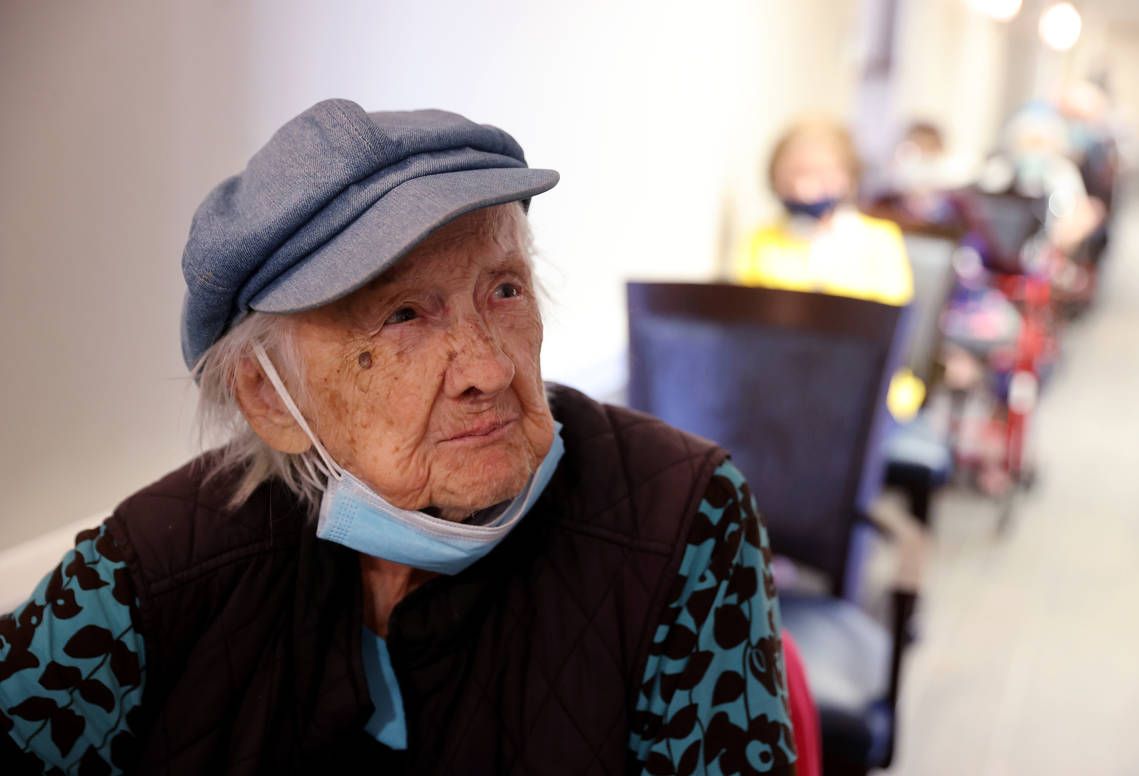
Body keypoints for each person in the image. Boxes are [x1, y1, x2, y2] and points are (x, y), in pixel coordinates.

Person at [0, 100, 798, 774]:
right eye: (404, 316)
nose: (486, 366)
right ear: (268, 399)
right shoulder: (159, 561)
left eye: (505, 289)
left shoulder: (683, 516)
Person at [736, 117, 923, 420]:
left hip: (865, 392)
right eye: (794, 174)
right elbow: (747, 326)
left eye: (818, 174)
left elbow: (887, 325)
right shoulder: (762, 242)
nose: (804, 188)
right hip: (780, 388)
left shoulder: (880, 241)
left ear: (847, 177)